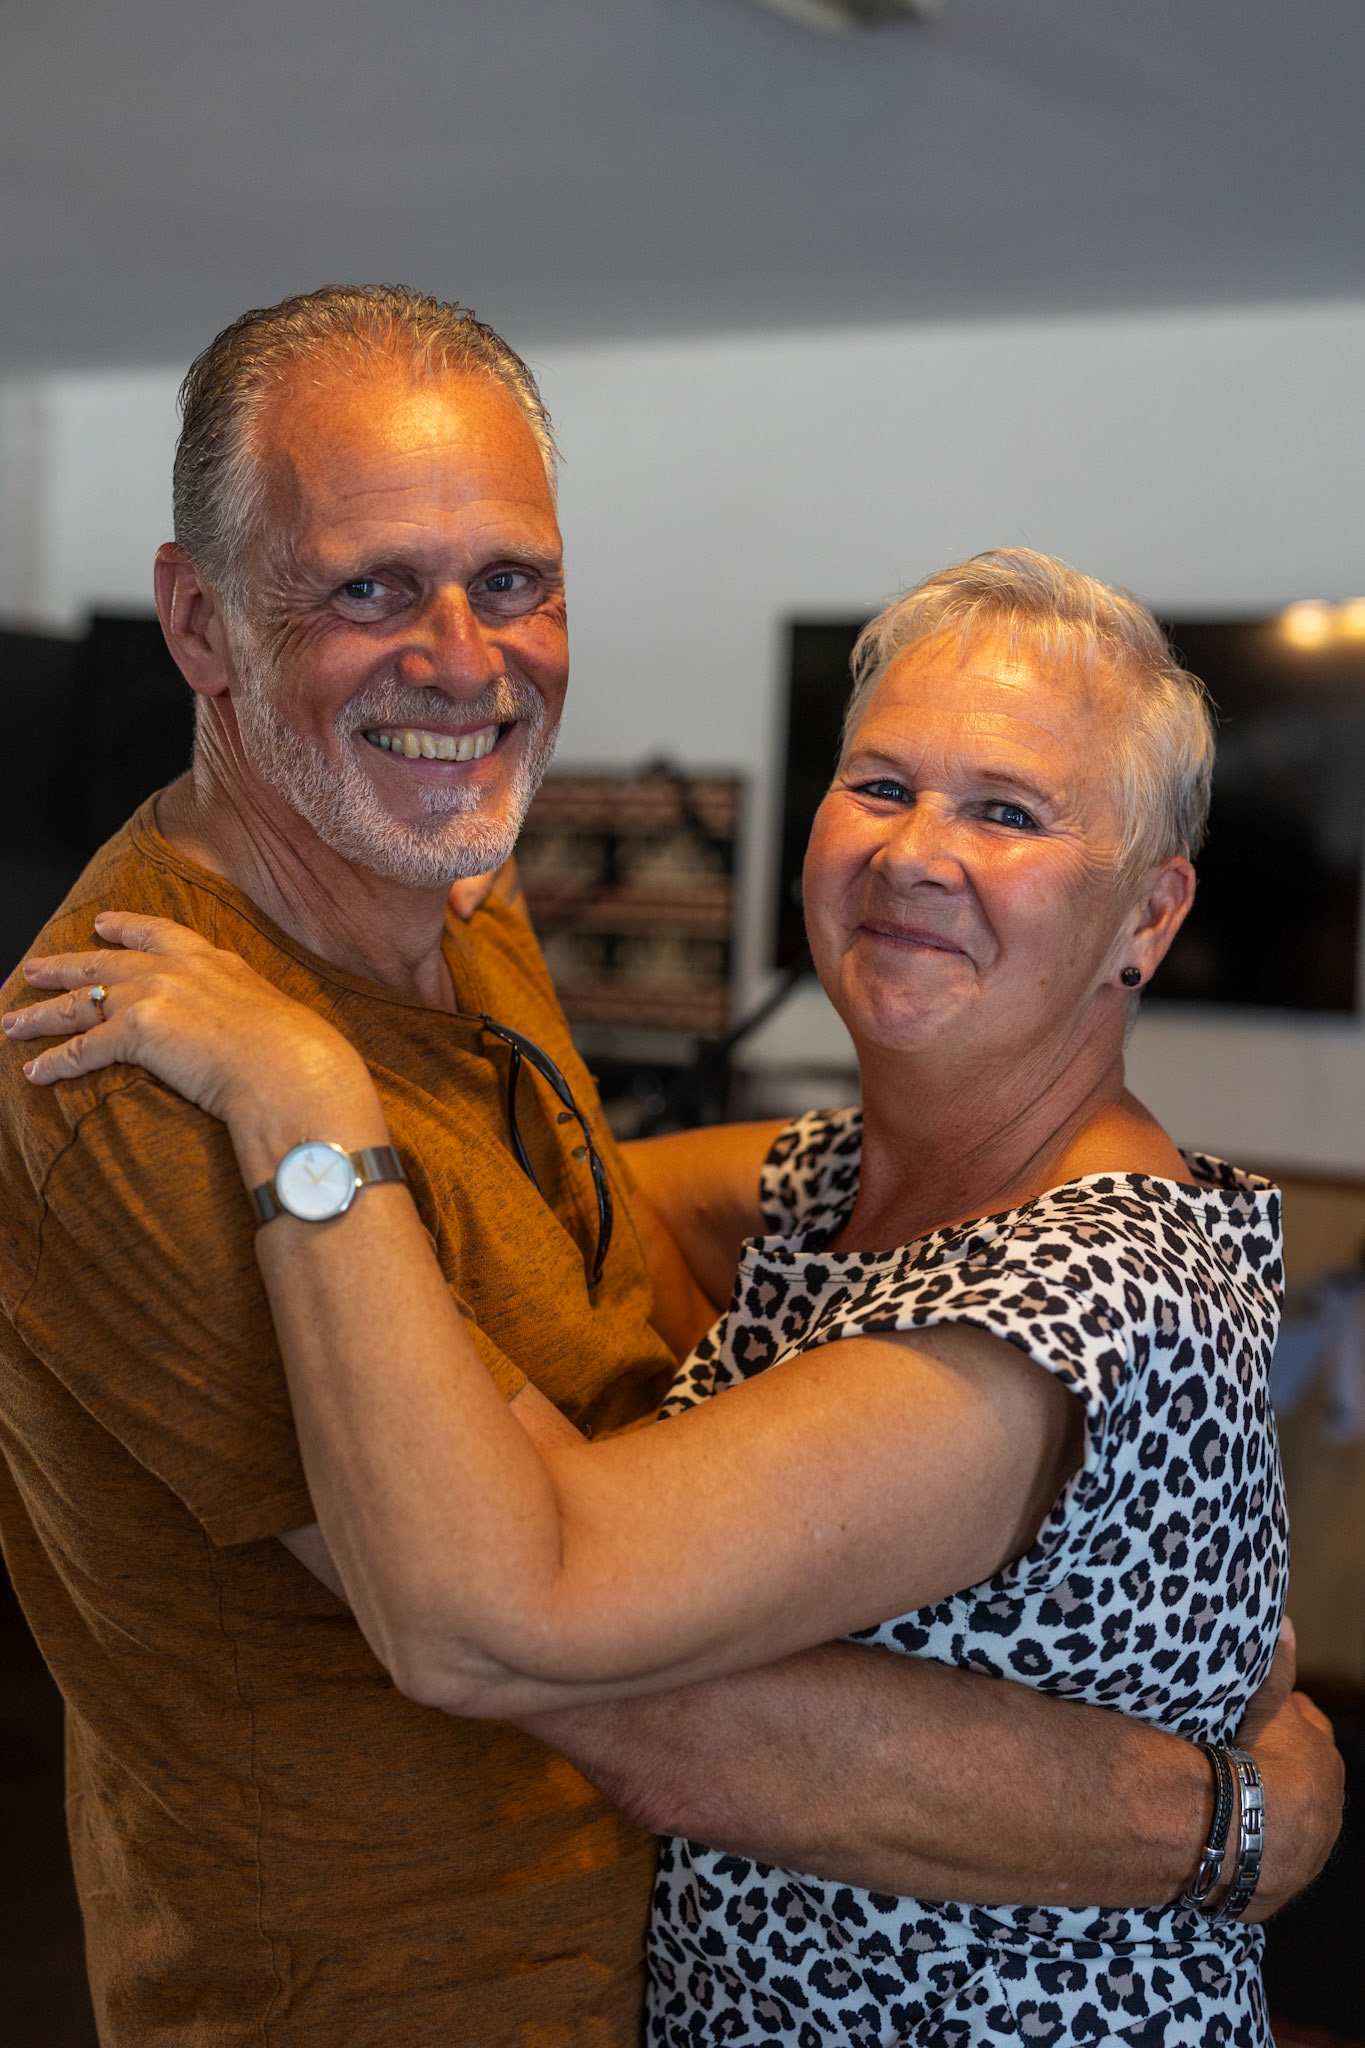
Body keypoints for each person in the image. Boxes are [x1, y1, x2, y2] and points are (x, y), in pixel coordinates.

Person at [0, 287, 1337, 2045]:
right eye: (372, 587)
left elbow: (541, 1245)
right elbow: (542, 1648)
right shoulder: (136, 1072)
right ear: (199, 621)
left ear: (1148, 915)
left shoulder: (452, 909)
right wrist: (1223, 1824)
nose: (462, 662)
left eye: (512, 580)